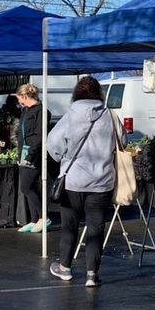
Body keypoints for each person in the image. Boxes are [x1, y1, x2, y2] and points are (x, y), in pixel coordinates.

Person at [45, 75, 120, 288]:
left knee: (69, 226)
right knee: (96, 228)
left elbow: (53, 145)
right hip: (102, 182)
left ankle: (65, 268)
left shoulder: (70, 116)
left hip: (73, 181)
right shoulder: (111, 116)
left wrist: (64, 158)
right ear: (99, 94)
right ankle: (91, 274)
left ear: (76, 93)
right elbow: (122, 141)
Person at [14, 82, 50, 234]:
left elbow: (39, 136)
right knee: (29, 187)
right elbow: (22, 135)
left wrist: (30, 155)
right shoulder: (25, 111)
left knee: (26, 187)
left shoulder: (42, 111)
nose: (18, 101)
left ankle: (44, 217)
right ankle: (34, 219)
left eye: (19, 97)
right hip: (24, 152)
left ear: (24, 96)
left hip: (34, 154)